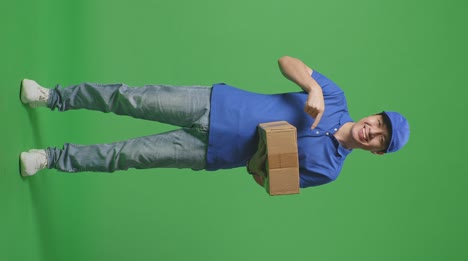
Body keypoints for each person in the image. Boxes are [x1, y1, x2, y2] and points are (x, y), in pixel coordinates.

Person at [19, 56, 410, 188]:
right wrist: (313, 87)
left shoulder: (329, 171)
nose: (373, 131)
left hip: (211, 152)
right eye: (378, 122)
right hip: (213, 103)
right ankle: (52, 97)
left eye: (380, 139)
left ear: (376, 151)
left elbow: (268, 180)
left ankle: (51, 159)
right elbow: (286, 61)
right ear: (373, 115)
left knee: (128, 155)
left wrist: (262, 164)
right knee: (128, 97)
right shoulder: (335, 97)